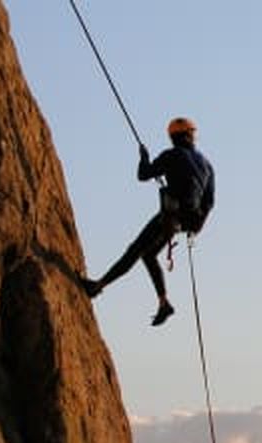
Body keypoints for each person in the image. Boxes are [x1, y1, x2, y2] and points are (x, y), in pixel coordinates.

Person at [81, 117, 215, 326]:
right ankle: (163, 303)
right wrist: (196, 228)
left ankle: (98, 285)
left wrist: (143, 157)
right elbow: (209, 202)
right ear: (190, 135)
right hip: (187, 220)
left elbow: (143, 175)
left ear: (173, 137)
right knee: (149, 254)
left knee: (135, 250)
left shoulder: (171, 155)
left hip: (170, 216)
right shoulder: (207, 164)